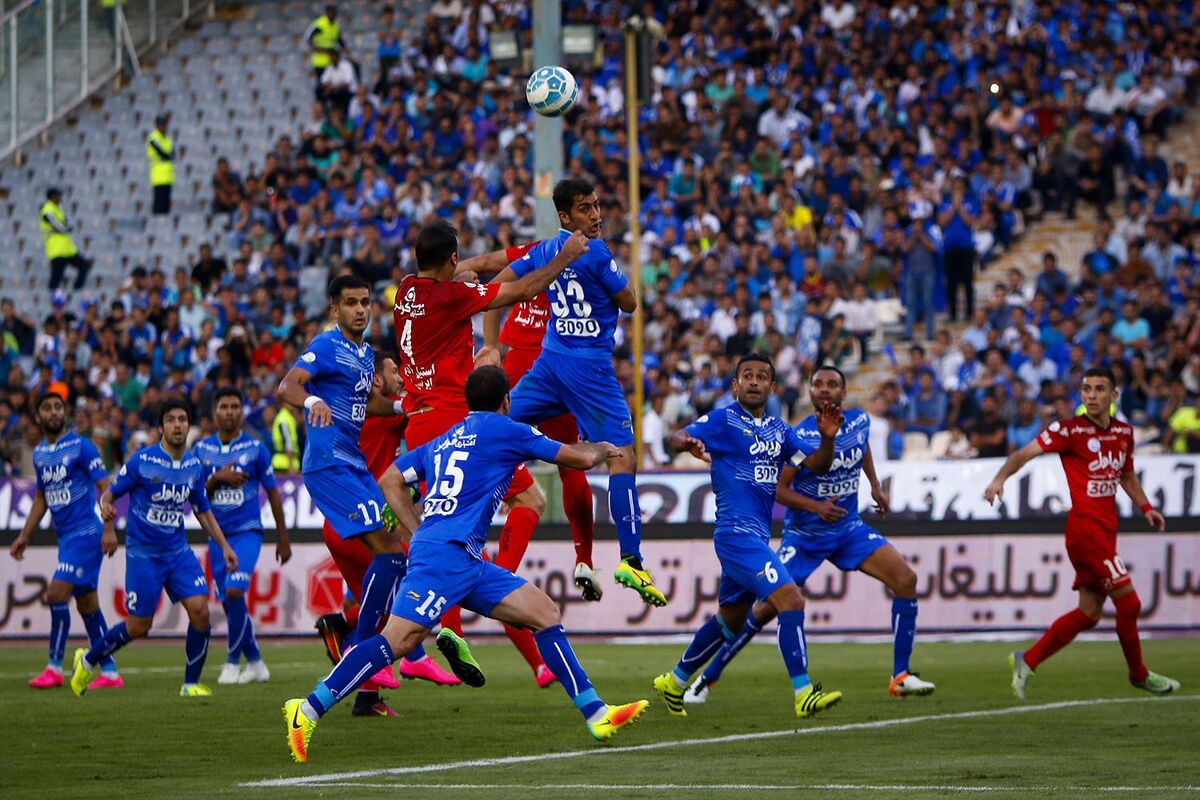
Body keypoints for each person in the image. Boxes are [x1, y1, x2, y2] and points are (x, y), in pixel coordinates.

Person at [283, 366, 649, 763]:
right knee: (397, 641)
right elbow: (578, 458)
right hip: (444, 557)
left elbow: (390, 479)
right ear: (506, 400)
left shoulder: (447, 438)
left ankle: (596, 713)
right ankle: (307, 709)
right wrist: (607, 447)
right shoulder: (507, 430)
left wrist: (416, 530)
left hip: (464, 557)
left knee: (543, 612)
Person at [393, 219, 588, 685]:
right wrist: (564, 258)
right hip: (453, 418)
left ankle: (450, 626)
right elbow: (521, 290)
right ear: (452, 257)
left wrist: (463, 276)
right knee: (530, 499)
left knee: (444, 527)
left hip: (418, 422)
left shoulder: (405, 291)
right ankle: (490, 590)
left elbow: (455, 282)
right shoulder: (453, 296)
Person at [679, 365, 935, 705]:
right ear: (810, 392)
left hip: (848, 528)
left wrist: (874, 485)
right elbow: (778, 489)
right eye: (818, 384)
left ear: (844, 393)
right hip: (805, 536)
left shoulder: (859, 421)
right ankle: (706, 678)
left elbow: (861, 448)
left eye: (832, 384)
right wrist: (816, 507)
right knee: (765, 608)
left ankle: (900, 676)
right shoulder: (797, 436)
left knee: (905, 579)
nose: (825, 389)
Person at [487, 178, 665, 606]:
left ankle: (420, 484)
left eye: (597, 205)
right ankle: (631, 560)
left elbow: (501, 283)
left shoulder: (546, 250)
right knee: (622, 457)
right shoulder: (596, 252)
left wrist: (489, 345)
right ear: (565, 216)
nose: (596, 215)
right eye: (585, 208)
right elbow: (630, 302)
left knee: (490, 429)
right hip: (589, 370)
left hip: (548, 366)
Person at [652, 355, 846, 720]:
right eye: (747, 376)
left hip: (756, 537)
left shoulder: (779, 429)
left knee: (732, 619)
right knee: (790, 599)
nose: (753, 381)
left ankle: (674, 682)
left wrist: (827, 438)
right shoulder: (723, 420)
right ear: (735, 385)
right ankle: (803, 692)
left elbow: (817, 464)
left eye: (761, 377)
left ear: (772, 387)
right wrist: (686, 441)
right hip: (735, 534)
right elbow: (675, 437)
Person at [984, 368, 1179, 698]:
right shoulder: (1069, 430)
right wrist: (999, 479)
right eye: (1086, 389)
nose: (1091, 395)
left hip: (1107, 529)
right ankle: (1138, 673)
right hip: (1085, 531)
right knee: (1129, 603)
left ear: (1113, 396)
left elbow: (1126, 475)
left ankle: (1027, 660)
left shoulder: (1124, 433)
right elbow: (1024, 453)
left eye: (1099, 389)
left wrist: (1146, 507)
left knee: (1089, 613)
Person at [312, 350, 460, 719]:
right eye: (395, 371)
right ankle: (401, 654)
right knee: (409, 586)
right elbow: (426, 410)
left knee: (376, 607)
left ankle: (366, 696)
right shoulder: (385, 412)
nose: (401, 376)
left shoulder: (353, 413)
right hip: (366, 522)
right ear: (376, 379)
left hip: (341, 523)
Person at [277, 274, 409, 681]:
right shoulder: (325, 345)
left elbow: (366, 402)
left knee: (396, 551)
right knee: (390, 553)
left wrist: (403, 407)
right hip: (328, 464)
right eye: (351, 303)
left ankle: (353, 641)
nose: (360, 310)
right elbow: (288, 386)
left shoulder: (366, 354)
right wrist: (312, 400)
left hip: (355, 465)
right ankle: (361, 648)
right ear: (335, 309)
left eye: (365, 302)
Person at [69, 399, 238, 698]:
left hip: (178, 552)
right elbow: (108, 495)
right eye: (171, 420)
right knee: (139, 626)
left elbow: (202, 510)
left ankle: (190, 685)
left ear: (189, 426)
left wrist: (224, 545)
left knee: (200, 611)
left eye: (182, 419)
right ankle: (87, 661)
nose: (177, 425)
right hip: (144, 554)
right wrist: (107, 522)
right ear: (161, 428)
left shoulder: (194, 466)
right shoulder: (141, 461)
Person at [481, 249, 600, 601]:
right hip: (560, 367)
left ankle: (475, 546)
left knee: (489, 453)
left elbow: (491, 275)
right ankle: (584, 558)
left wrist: (490, 345)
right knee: (571, 463)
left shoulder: (537, 250)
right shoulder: (593, 257)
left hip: (520, 365)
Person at [9, 393, 123, 690]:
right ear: (38, 416)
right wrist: (24, 536)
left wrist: (109, 529)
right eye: (47, 408)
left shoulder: (82, 446)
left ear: (65, 412)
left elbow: (106, 487)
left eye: (58, 407)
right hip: (66, 538)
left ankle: (54, 668)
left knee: (56, 593)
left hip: (87, 533)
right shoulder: (39, 454)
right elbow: (41, 498)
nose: (53, 412)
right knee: (88, 605)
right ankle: (110, 672)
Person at [191, 387, 292, 685]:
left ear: (242, 411)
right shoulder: (201, 450)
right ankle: (257, 662)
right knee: (228, 600)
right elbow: (194, 496)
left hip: (248, 532)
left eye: (235, 406)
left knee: (235, 591)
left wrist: (283, 538)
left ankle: (232, 662)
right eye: (224, 406)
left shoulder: (256, 449)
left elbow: (273, 494)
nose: (230, 412)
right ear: (215, 412)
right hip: (217, 536)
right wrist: (216, 479)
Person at [40, 188, 92, 292]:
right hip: (57, 250)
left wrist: (69, 226)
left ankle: (76, 291)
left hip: (68, 249)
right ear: (52, 197)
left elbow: (67, 222)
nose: (60, 198)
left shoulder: (58, 208)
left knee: (84, 265)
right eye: (58, 195)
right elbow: (56, 224)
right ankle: (53, 297)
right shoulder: (47, 209)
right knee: (56, 276)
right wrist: (66, 229)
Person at [304, 4, 347, 81]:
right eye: (331, 13)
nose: (333, 15)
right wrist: (315, 48)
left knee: (331, 83)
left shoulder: (336, 25)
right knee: (322, 83)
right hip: (320, 61)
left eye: (334, 14)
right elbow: (307, 37)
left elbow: (339, 40)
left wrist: (345, 50)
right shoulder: (319, 24)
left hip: (332, 61)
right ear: (327, 13)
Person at [146, 114, 174, 215]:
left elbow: (172, 155)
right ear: (157, 125)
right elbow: (163, 154)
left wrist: (168, 156)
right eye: (161, 124)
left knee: (166, 207)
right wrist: (167, 156)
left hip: (168, 178)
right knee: (159, 206)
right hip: (158, 177)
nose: (163, 126)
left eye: (164, 124)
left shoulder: (168, 139)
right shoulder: (153, 138)